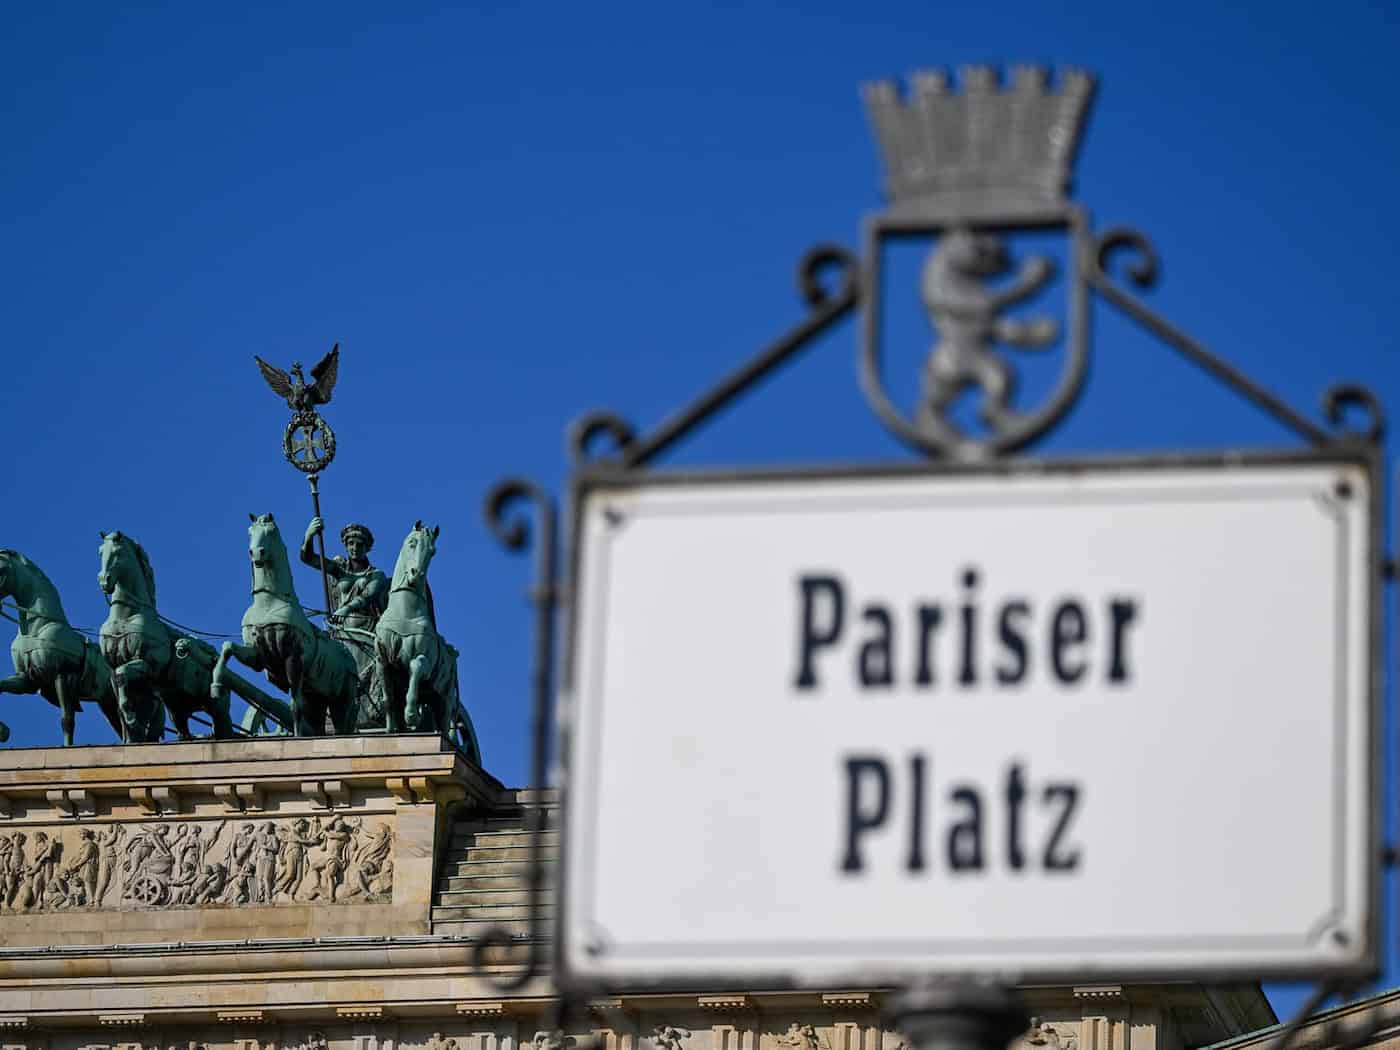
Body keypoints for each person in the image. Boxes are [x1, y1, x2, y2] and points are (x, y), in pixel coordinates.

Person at [299, 518, 388, 632]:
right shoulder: (339, 568)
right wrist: (309, 536)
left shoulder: (376, 575)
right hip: (340, 628)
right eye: (351, 543)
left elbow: (367, 596)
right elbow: (308, 558)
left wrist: (346, 609)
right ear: (346, 545)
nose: (355, 548)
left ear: (367, 548)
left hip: (367, 631)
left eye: (360, 544)